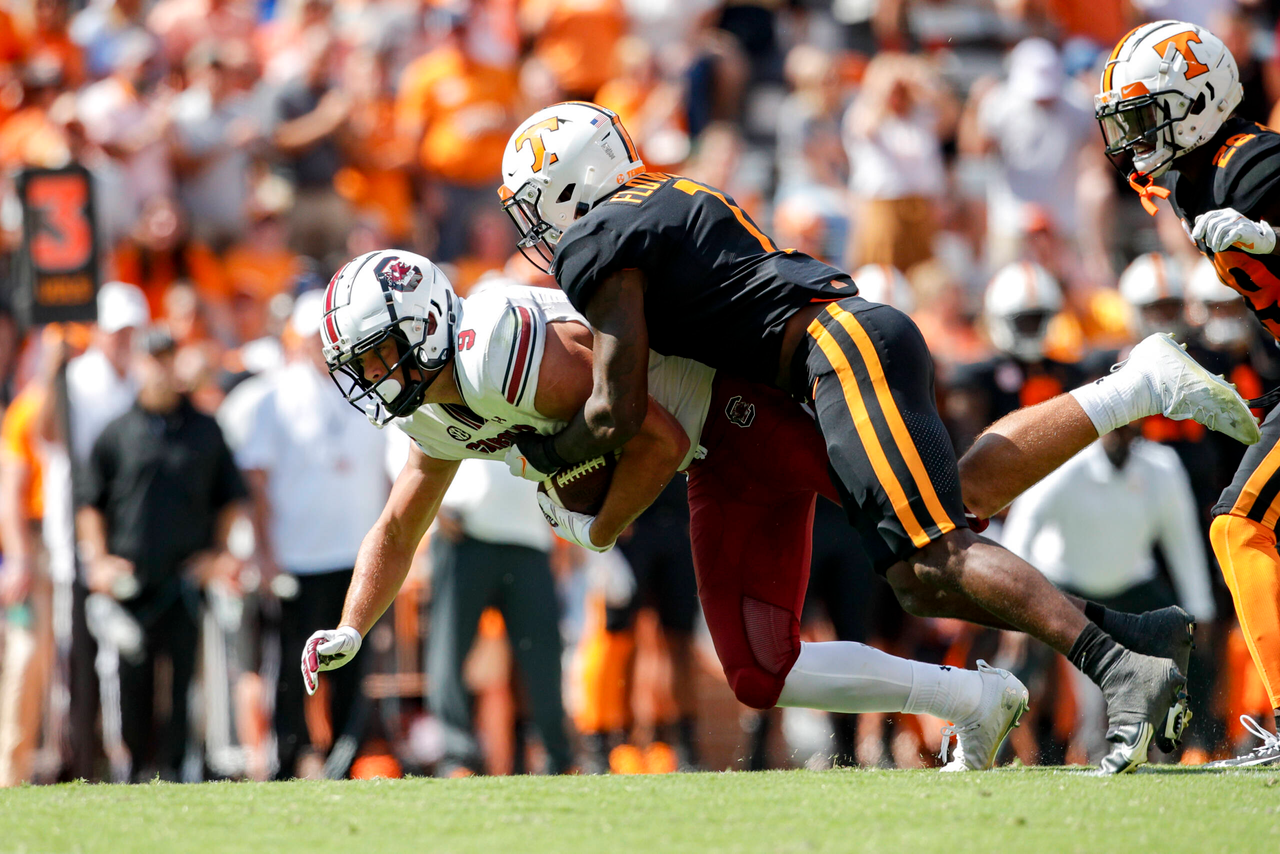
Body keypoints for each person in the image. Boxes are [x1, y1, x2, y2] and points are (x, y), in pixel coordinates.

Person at [495, 101, 1260, 772]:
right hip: (834, 354)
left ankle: (1117, 665)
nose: (538, 231)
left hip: (834, 353)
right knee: (923, 562)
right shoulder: (664, 195)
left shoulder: (600, 235)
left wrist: (543, 458)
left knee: (936, 550)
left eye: (537, 206)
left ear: (570, 184)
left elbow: (615, 411)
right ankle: (1130, 626)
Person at [301, 250, 1032, 773]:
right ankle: (972, 697)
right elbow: (399, 524)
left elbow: (655, 436)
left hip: (741, 409)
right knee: (759, 671)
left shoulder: (502, 355)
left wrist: (599, 527)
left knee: (939, 521)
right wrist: (351, 624)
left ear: (426, 326)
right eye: (358, 365)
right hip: (711, 460)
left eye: (376, 355)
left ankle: (1106, 621)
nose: (370, 378)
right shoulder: (430, 413)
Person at [1095, 19, 1280, 767]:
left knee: (1239, 525)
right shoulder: (1199, 177)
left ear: (1199, 99)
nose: (1136, 137)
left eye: (1147, 114)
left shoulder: (1253, 165)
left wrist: (1271, 239)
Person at [76, 328, 247, 781]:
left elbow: (229, 496)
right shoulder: (116, 432)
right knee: (131, 682)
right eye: (150, 358)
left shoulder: (205, 429)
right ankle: (131, 769)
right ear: (137, 364)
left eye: (166, 358)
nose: (159, 368)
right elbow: (90, 502)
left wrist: (218, 555)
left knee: (184, 681)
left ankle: (176, 771)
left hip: (184, 580)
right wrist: (98, 561)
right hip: (130, 582)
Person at [236, 291, 388, 779]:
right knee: (290, 668)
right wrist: (264, 553)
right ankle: (288, 757)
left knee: (351, 664)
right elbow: (256, 482)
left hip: (356, 553)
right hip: (298, 555)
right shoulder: (275, 397)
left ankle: (345, 756)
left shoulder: (368, 388)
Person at [1003, 423, 1217, 762]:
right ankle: (992, 747)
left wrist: (1199, 610)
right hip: (1064, 583)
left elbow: (1183, 540)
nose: (1122, 438)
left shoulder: (1161, 467)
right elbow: (1022, 528)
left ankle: (1198, 746)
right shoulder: (1066, 461)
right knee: (1017, 660)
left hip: (1133, 585)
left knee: (1188, 642)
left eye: (1130, 430)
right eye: (1115, 429)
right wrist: (1013, 617)